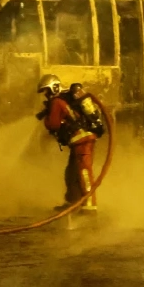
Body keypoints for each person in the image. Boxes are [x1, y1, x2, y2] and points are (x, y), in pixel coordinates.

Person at [36, 76, 106, 209]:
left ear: (53, 88)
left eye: (46, 91)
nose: (46, 95)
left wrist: (46, 119)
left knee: (84, 172)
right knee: (71, 172)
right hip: (81, 139)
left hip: (81, 139)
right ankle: (73, 202)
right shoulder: (63, 99)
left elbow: (53, 124)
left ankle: (90, 206)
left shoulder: (57, 102)